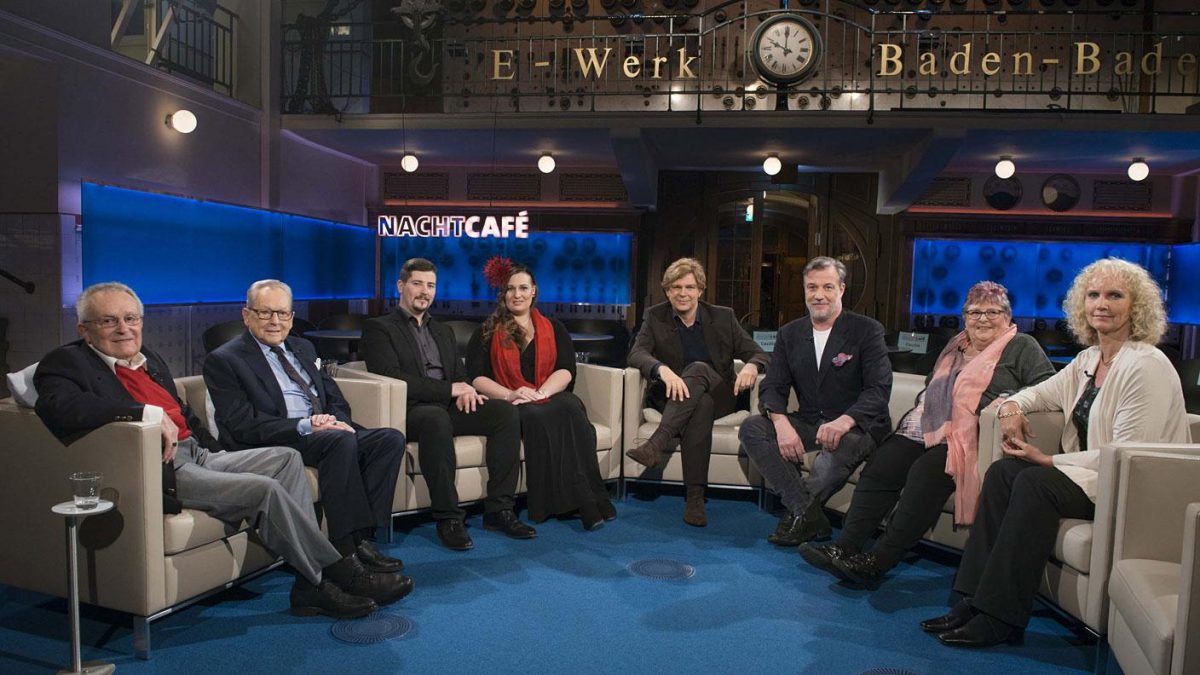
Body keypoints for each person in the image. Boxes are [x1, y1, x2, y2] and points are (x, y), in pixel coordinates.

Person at [34, 282, 412, 619]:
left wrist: (213, 451)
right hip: (161, 465)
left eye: (131, 318)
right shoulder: (67, 362)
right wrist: (143, 413)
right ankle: (335, 571)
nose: (123, 328)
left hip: (200, 453)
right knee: (265, 489)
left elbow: (184, 414)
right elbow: (59, 406)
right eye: (109, 321)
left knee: (287, 458)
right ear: (84, 329)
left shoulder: (148, 359)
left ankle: (311, 580)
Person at [925, 258, 1192, 648]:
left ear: (1137, 306)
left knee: (1035, 482)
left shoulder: (1145, 366)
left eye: (1115, 296)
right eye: (1093, 295)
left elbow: (1126, 454)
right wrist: (1011, 408)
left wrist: (1050, 460)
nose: (1101, 304)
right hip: (1090, 476)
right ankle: (970, 598)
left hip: (1130, 490)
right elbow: (1036, 393)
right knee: (1003, 473)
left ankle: (1001, 617)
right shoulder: (1089, 359)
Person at [799, 281, 1055, 585]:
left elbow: (1047, 389)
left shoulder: (1022, 345)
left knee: (925, 472)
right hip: (924, 428)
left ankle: (878, 560)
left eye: (992, 312)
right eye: (975, 312)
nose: (983, 319)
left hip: (969, 438)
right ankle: (845, 546)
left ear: (1008, 316)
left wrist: (1010, 402)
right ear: (964, 317)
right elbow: (931, 387)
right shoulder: (955, 346)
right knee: (884, 463)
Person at [203, 280, 407, 574]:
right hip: (279, 438)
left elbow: (333, 396)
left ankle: (363, 538)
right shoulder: (225, 360)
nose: (275, 321)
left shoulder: (303, 347)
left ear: (291, 316)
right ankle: (344, 550)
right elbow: (242, 424)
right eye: (265, 313)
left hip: (323, 430)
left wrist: (336, 421)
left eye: (283, 313)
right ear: (246, 315)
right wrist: (306, 425)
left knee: (389, 439)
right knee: (339, 442)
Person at [360, 258, 533, 550]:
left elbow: (459, 374)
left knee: (504, 412)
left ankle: (500, 510)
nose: (424, 291)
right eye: (417, 283)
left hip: (448, 405)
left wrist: (465, 390)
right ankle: (449, 518)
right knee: (435, 419)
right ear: (401, 286)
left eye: (430, 285)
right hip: (410, 409)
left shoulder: (443, 331)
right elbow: (391, 375)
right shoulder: (379, 328)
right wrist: (450, 389)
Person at [739, 256, 892, 546]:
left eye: (827, 287)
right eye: (812, 287)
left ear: (841, 289)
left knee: (830, 460)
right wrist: (781, 423)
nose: (819, 295)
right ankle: (808, 515)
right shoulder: (790, 333)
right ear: (804, 290)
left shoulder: (867, 330)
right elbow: (773, 386)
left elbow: (878, 389)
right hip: (810, 419)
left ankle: (799, 517)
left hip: (858, 424)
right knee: (752, 428)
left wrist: (844, 422)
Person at [465, 258, 615, 530]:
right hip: (512, 401)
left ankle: (591, 497)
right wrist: (511, 394)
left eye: (523, 288)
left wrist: (542, 392)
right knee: (538, 414)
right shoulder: (487, 331)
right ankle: (585, 501)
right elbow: (476, 377)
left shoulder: (553, 327)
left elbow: (566, 369)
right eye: (510, 289)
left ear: (534, 290)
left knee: (571, 406)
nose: (517, 294)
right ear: (503, 294)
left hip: (547, 394)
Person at [626, 257, 769, 527]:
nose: (683, 293)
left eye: (689, 287)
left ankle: (656, 443)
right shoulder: (655, 316)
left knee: (699, 369)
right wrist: (662, 369)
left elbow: (759, 353)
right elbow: (636, 353)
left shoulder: (722, 317)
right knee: (700, 404)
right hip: (675, 398)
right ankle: (695, 498)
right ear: (667, 291)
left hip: (720, 395)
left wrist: (752, 365)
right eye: (676, 287)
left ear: (700, 290)